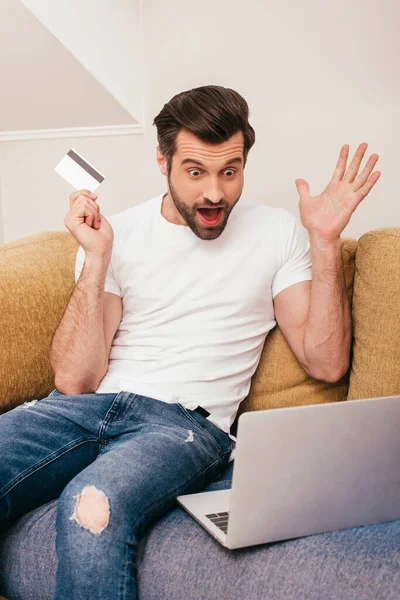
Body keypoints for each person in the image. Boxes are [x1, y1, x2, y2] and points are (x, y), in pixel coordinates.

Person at [0, 85, 381, 599]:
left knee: (91, 506)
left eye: (230, 171)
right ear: (163, 162)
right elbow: (75, 380)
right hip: (90, 408)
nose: (215, 194)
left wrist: (326, 241)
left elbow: (327, 362)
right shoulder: (118, 234)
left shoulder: (277, 233)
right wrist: (96, 260)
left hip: (182, 424)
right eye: (196, 172)